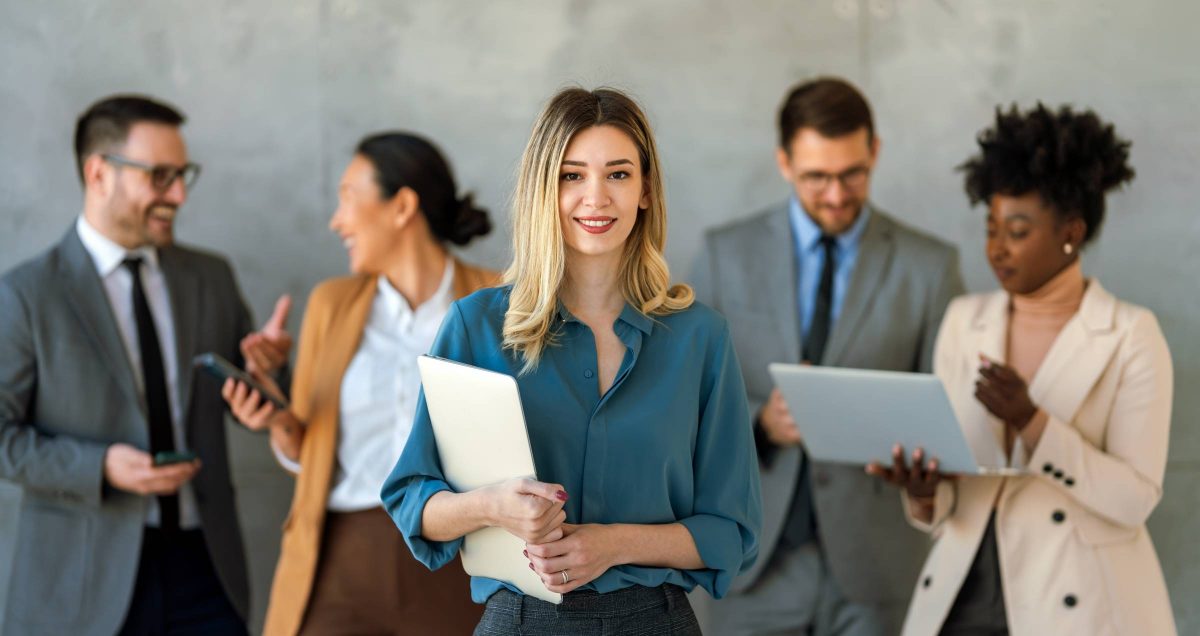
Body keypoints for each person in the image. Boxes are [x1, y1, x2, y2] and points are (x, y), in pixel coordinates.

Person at [380, 87, 761, 635]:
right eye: (572, 175)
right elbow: (414, 500)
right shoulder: (476, 326)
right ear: (544, 188)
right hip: (522, 621)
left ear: (647, 189)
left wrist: (611, 545)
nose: (596, 198)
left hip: (657, 622)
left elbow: (732, 530)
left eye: (619, 174)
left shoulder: (700, 336)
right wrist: (491, 506)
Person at [868, 103, 1177, 635]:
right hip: (963, 595)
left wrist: (1033, 422)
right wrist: (922, 489)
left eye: (1017, 230)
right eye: (990, 227)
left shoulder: (1131, 334)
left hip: (1074, 601)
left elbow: (1134, 500)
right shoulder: (965, 320)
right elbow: (952, 494)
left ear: (1072, 232)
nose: (995, 248)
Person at [0, 94, 291, 635]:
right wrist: (101, 466)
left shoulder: (212, 277)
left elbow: (257, 401)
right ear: (99, 174)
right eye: (160, 177)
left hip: (207, 570)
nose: (178, 195)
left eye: (183, 175)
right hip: (81, 582)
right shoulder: (25, 294)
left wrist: (270, 374)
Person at [693, 77, 965, 635]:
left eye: (852, 174)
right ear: (784, 162)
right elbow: (682, 397)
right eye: (818, 177)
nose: (838, 195)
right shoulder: (725, 254)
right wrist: (759, 421)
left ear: (875, 152)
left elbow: (953, 409)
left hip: (878, 570)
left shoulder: (931, 266)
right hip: (754, 561)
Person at [222, 132, 497, 635]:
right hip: (341, 558)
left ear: (402, 206)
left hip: (460, 560)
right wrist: (279, 420)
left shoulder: (497, 300)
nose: (336, 219)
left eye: (348, 196)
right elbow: (309, 451)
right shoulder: (332, 306)